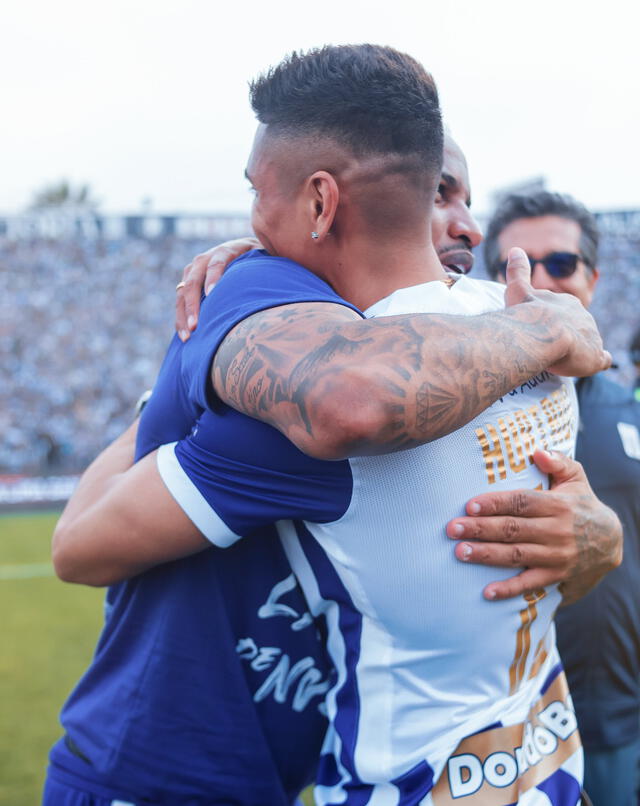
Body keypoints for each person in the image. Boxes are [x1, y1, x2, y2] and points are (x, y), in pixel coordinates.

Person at [51, 46, 617, 805]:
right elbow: (80, 545)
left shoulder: (452, 351)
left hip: (323, 764)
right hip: (163, 762)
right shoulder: (486, 340)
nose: (466, 225)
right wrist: (553, 329)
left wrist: (601, 537)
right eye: (440, 192)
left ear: (320, 203)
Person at [484, 190, 640, 806]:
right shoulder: (456, 422)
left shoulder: (629, 412)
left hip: (623, 719)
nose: (541, 281)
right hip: (511, 729)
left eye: (560, 264)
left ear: (593, 280)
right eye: (518, 265)